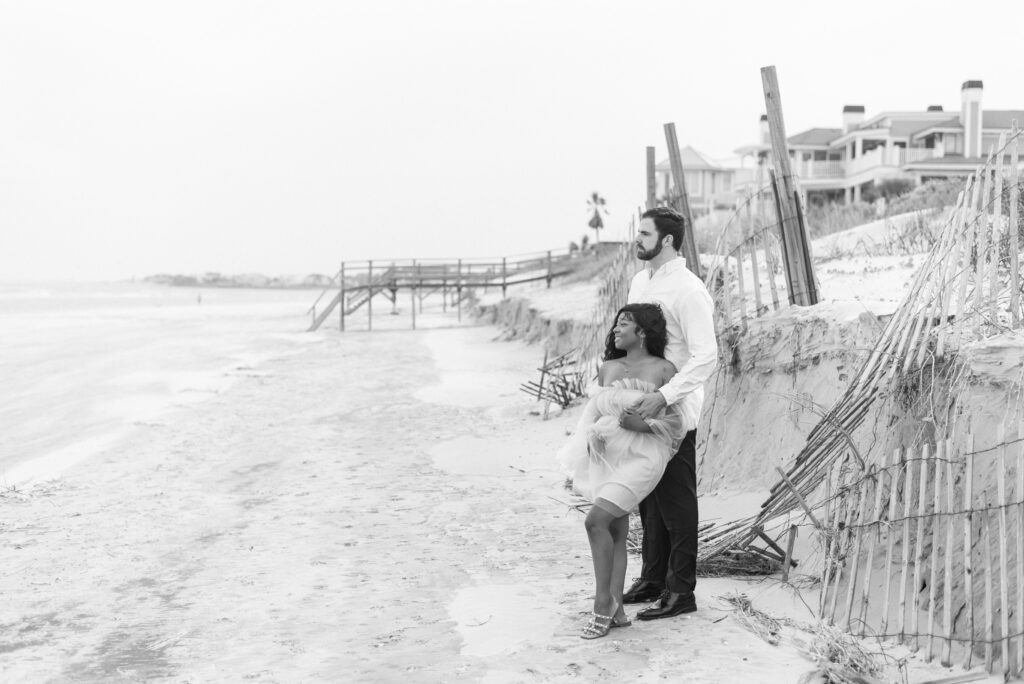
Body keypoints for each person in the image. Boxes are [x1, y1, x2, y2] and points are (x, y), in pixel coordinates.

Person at [557, 303, 685, 639]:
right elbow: (595, 410)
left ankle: (602, 603)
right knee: (614, 528)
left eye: (624, 323)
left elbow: (678, 424)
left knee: (594, 520)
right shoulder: (608, 367)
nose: (616, 329)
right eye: (616, 323)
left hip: (644, 456)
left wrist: (643, 425)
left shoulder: (664, 370)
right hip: (607, 452)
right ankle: (619, 610)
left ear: (642, 332)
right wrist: (590, 438)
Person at [622, 206, 718, 621]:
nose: (636, 239)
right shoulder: (640, 280)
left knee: (677, 501)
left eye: (643, 233)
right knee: (648, 498)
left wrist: (665, 395)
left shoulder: (689, 289)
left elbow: (706, 356)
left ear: (666, 240)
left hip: (674, 408)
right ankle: (652, 578)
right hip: (638, 402)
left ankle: (682, 592)